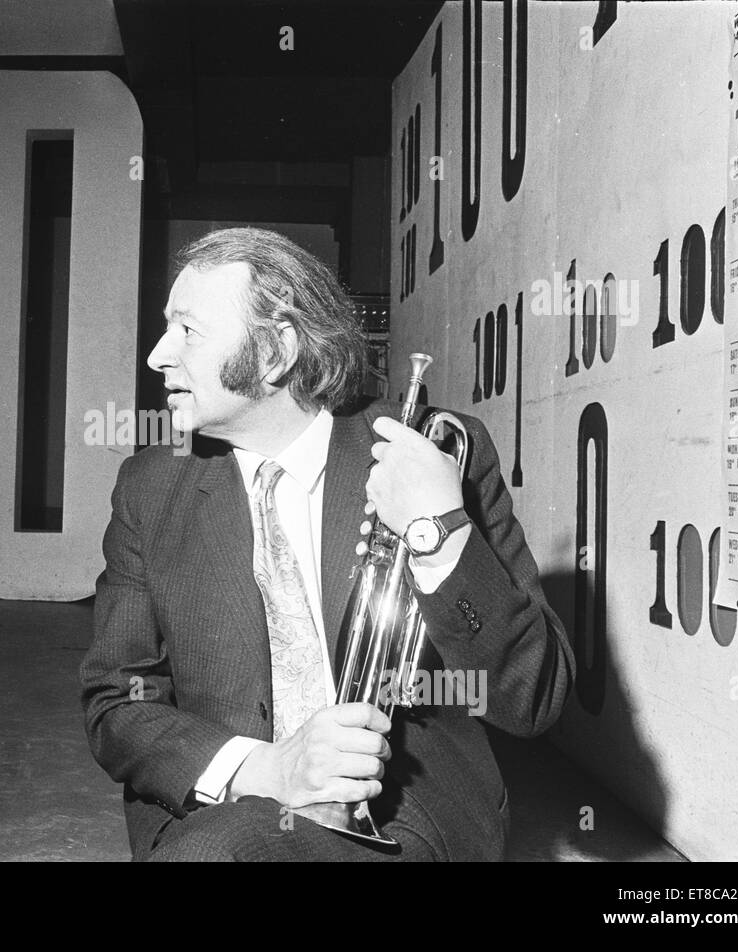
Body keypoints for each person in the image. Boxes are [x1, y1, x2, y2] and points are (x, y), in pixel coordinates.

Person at [80, 227, 574, 861]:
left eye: (187, 331)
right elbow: (115, 701)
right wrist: (265, 768)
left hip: (402, 811)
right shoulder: (149, 487)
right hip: (227, 807)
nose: (156, 355)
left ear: (275, 351)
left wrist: (438, 533)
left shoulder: (432, 451)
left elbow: (534, 696)